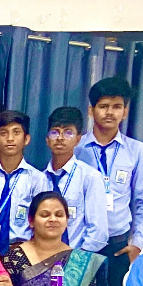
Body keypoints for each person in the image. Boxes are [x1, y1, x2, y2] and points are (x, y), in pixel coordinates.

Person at [75, 77, 143, 286]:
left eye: (116, 107)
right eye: (103, 106)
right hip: (81, 245)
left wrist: (137, 244)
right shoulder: (77, 148)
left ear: (125, 111)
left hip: (118, 246)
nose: (109, 112)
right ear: (91, 110)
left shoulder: (135, 150)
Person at [1, 192, 106, 286]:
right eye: (45, 215)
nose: (53, 219)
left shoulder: (82, 262)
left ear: (66, 221)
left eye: (59, 215)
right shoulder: (13, 258)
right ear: (31, 221)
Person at [0, 110, 48, 250]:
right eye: (4, 133)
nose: (10, 139)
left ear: (26, 139)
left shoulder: (37, 179)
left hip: (24, 251)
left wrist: (29, 252)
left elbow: (41, 225)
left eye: (16, 132)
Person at [41, 106, 108, 252]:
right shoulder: (40, 179)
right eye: (54, 132)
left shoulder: (89, 177)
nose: (60, 138)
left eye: (68, 133)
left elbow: (98, 232)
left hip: (77, 256)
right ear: (47, 139)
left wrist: (76, 261)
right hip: (41, 258)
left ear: (78, 139)